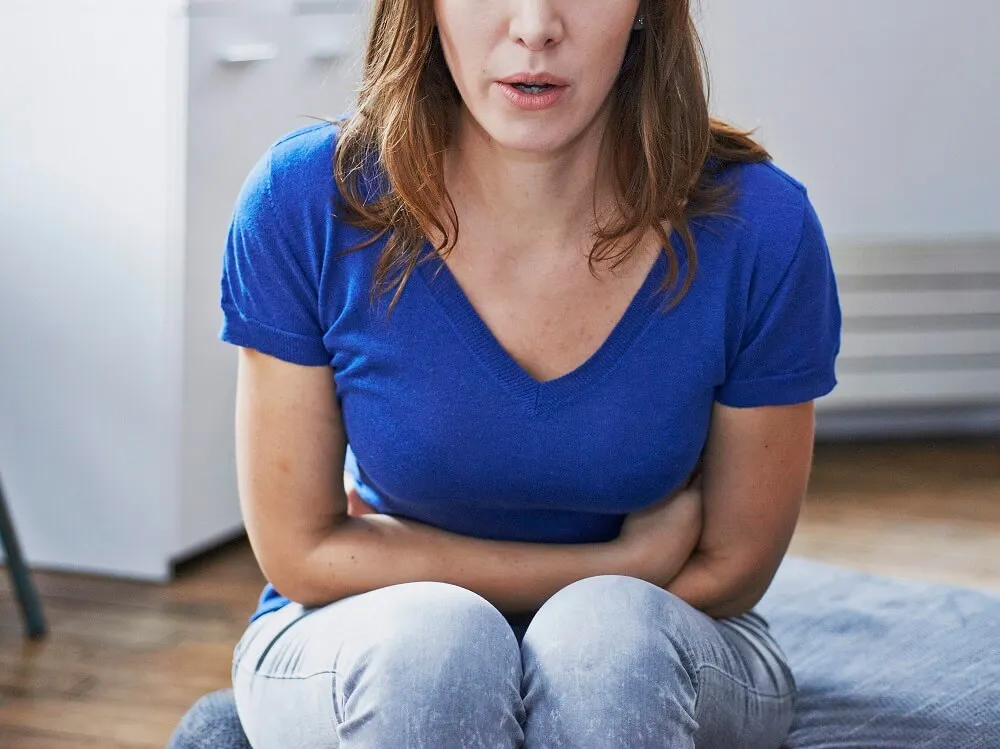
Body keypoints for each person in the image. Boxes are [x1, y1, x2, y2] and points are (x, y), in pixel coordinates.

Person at [219, 0, 841, 746]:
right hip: (371, 621)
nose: (536, 26)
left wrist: (614, 591)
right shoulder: (305, 198)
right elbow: (301, 554)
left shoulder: (761, 226)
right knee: (436, 644)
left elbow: (734, 568)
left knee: (606, 642)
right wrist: (621, 561)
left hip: (663, 623)